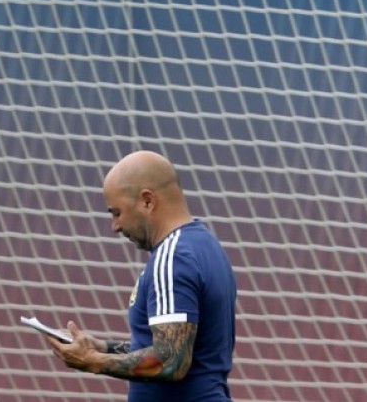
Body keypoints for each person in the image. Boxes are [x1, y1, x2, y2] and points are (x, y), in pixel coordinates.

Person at [45, 150, 237, 402]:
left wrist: (92, 361)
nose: (115, 226)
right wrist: (102, 347)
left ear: (147, 201)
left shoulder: (173, 257)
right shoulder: (204, 245)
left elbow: (170, 360)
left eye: (117, 213)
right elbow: (179, 346)